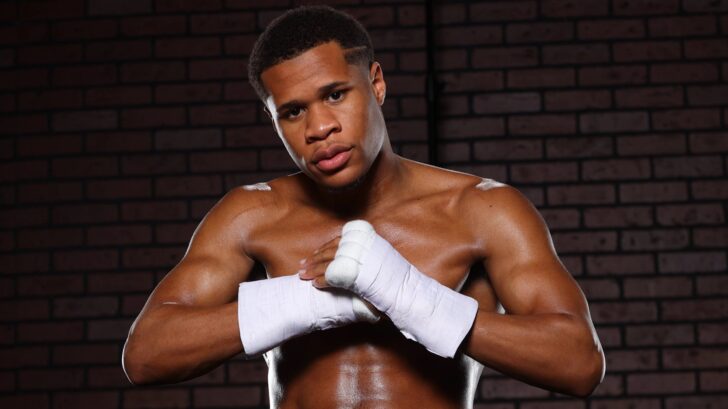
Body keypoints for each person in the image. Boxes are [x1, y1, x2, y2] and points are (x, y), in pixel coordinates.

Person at [122, 5, 605, 408]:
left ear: (376, 84)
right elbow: (146, 355)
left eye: (335, 95)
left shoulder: (481, 210)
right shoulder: (251, 216)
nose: (319, 128)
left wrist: (410, 297)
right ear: (273, 120)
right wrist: (311, 302)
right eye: (293, 112)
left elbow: (579, 363)